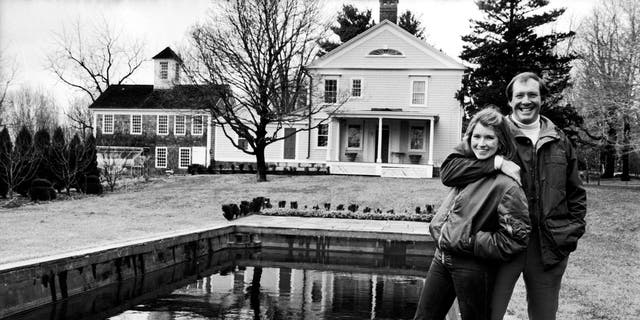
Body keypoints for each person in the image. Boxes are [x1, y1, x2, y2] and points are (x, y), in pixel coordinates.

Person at [440, 72, 587, 320]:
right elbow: (449, 170)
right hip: (502, 244)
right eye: (519, 95)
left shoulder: (560, 140)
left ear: (542, 99)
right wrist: (497, 162)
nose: (526, 101)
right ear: (510, 100)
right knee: (489, 314)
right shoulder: (494, 133)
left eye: (532, 95)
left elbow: (576, 194)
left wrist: (569, 235)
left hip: (548, 249)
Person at [414, 108, 531, 320]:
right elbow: (448, 172)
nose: (481, 143)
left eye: (489, 137)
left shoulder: (507, 186)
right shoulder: (469, 167)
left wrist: (470, 242)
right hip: (442, 257)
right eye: (476, 136)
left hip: (472, 266)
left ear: (501, 142)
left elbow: (516, 238)